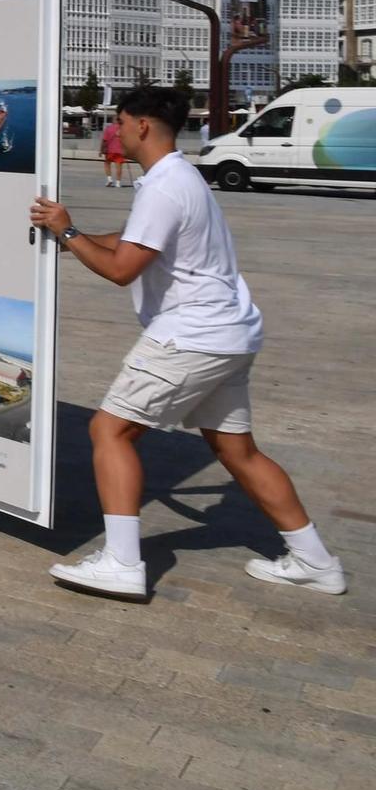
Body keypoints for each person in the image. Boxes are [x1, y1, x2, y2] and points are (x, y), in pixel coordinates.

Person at [29, 86, 345, 601]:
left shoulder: (162, 187)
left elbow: (121, 268)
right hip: (231, 332)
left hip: (191, 337)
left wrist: (67, 236)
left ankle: (122, 563)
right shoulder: (181, 176)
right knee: (236, 450)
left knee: (110, 430)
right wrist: (74, 232)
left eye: (122, 121)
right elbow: (134, 241)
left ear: (143, 126)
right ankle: (316, 562)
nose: (118, 130)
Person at [100, 115, 128, 187]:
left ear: (112, 121)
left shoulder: (108, 128)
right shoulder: (123, 129)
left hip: (110, 150)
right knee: (118, 166)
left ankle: (109, 179)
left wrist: (101, 150)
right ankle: (118, 183)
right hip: (120, 150)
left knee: (107, 163)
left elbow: (104, 140)